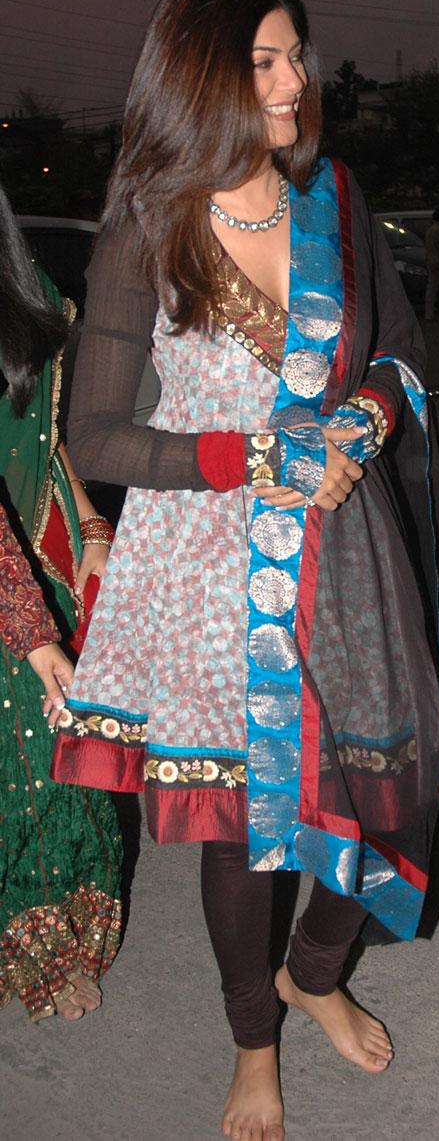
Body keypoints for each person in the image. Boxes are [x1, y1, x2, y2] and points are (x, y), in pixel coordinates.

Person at [50, 0, 439, 1141]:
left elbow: (396, 357)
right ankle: (254, 1040)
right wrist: (253, 454)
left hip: (345, 555)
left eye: (296, 54)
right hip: (203, 572)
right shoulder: (149, 220)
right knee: (241, 822)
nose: (297, 79)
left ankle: (315, 967)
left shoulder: (332, 198)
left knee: (399, 781)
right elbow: (94, 430)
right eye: (266, 60)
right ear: (203, 75)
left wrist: (355, 422)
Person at [0, 185, 121, 1021]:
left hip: (36, 547)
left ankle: (59, 937)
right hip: (9, 582)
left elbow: (44, 431)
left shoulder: (32, 286)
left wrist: (86, 519)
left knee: (56, 760)